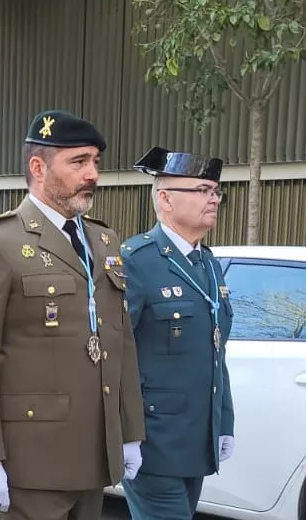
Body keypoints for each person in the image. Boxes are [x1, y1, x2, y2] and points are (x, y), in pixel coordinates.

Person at [0, 109, 146, 520]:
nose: (92, 174)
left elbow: (119, 341)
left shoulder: (102, 240)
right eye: (78, 162)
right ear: (38, 167)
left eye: (95, 162)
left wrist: (129, 433)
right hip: (28, 465)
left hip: (91, 456)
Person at [120, 147, 235, 519]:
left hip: (193, 444)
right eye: (202, 190)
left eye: (216, 191)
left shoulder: (208, 264)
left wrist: (224, 422)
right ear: (166, 199)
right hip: (153, 445)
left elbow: (216, 353)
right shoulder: (136, 262)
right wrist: (125, 434)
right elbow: (115, 355)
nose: (213, 198)